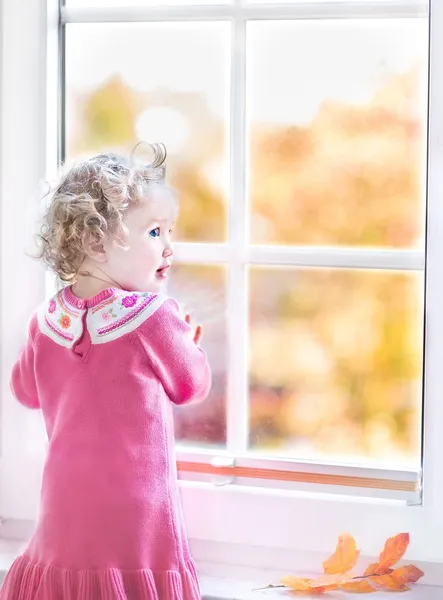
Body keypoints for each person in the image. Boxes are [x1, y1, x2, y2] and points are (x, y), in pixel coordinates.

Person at [0, 143, 211, 600]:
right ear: (98, 242)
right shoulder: (152, 317)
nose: (169, 247)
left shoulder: (45, 321)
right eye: (155, 232)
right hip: (136, 521)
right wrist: (189, 346)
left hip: (64, 514)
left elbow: (24, 390)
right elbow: (191, 385)